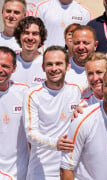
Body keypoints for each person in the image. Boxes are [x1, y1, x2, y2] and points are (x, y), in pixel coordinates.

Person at [24, 46, 81, 179]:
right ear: (43, 68)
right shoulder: (33, 94)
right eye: (49, 64)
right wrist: (55, 143)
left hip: (69, 169)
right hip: (41, 170)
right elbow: (31, 134)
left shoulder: (75, 91)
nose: (54, 68)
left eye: (59, 64)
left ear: (67, 66)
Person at [0, 46, 29, 180]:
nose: (1, 70)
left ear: (14, 69)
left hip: (21, 173)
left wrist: (76, 107)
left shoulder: (24, 92)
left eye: (5, 66)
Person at [11, 16, 47, 87]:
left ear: (40, 38)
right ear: (19, 36)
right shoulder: (10, 62)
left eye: (35, 34)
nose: (30, 38)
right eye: (26, 33)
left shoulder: (48, 64)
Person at [65, 25, 98, 94]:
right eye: (77, 43)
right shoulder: (62, 70)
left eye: (86, 43)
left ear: (95, 45)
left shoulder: (106, 69)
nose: (81, 47)